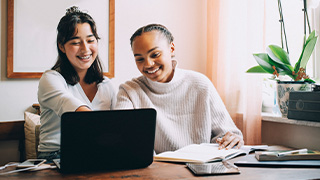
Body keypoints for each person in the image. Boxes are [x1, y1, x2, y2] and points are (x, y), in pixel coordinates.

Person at [115, 24, 244, 154]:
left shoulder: (200, 84)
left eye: (155, 54)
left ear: (171, 49)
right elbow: (123, 137)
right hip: (154, 169)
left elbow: (228, 134)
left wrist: (231, 139)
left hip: (200, 168)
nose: (148, 64)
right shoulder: (129, 91)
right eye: (140, 59)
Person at [37, 6, 116, 161]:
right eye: (75, 42)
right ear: (62, 46)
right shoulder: (51, 79)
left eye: (90, 40)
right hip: (56, 157)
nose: (85, 49)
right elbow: (73, 110)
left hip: (97, 153)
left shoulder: (106, 85)